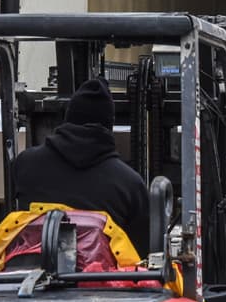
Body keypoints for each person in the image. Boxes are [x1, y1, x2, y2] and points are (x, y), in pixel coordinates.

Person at [12, 78, 150, 256]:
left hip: (28, 277)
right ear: (109, 124)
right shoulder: (130, 185)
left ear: (68, 117)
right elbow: (143, 255)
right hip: (102, 281)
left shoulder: (25, 165)